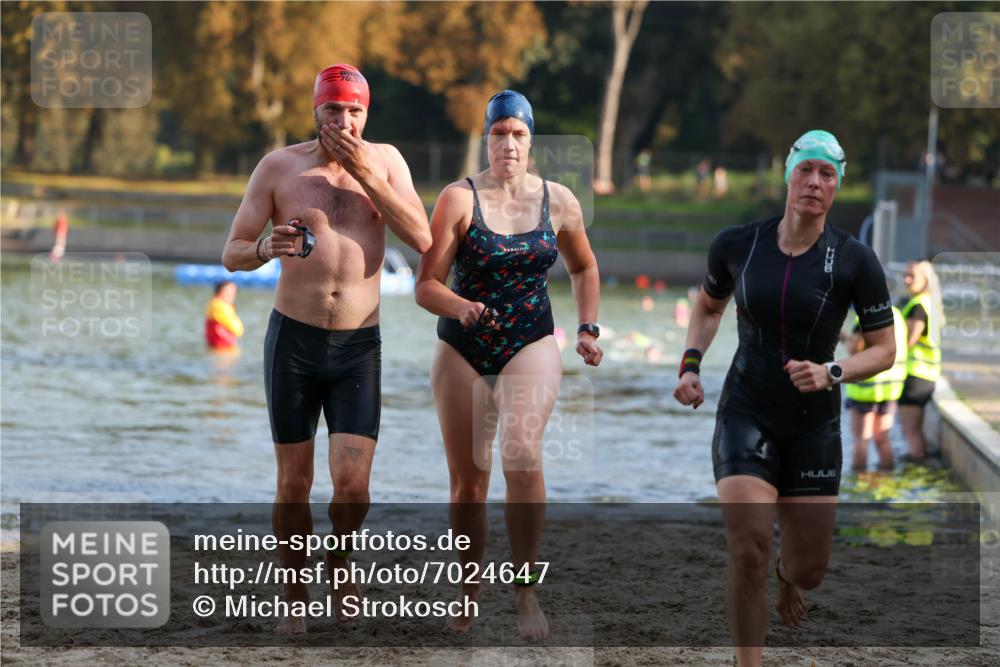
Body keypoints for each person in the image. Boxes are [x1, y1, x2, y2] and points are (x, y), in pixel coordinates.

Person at [220, 63, 431, 635]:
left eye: (355, 110)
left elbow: (423, 236)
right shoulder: (279, 166)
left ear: (367, 113)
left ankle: (340, 561)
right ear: (316, 110)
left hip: (359, 345)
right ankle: (293, 588)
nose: (344, 120)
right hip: (293, 339)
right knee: (294, 483)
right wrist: (266, 246)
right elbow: (232, 252)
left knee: (354, 487)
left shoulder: (386, 162)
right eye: (334, 109)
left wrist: (367, 172)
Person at [673, 130, 896, 667]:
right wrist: (691, 365)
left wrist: (832, 372)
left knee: (808, 569)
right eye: (806, 171)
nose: (814, 184)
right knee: (746, 550)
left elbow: (887, 350)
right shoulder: (736, 244)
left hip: (814, 425)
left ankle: (786, 575)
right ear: (788, 176)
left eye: (827, 176)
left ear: (837, 187)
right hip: (746, 409)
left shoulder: (855, 260)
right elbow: (707, 308)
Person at [415, 90, 602, 641]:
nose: (509, 144)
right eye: (499, 134)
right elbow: (425, 286)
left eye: (518, 134)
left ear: (531, 141)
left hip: (530, 341)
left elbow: (585, 268)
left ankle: (525, 594)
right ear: (487, 139)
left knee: (521, 453)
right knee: (469, 486)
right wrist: (461, 307)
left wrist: (588, 328)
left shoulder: (560, 201)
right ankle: (468, 596)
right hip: (462, 346)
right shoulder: (458, 199)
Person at [843, 297, 908, 471]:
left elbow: (855, 349)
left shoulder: (863, 319)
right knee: (883, 438)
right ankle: (886, 480)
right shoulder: (897, 315)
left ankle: (859, 486)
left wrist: (844, 338)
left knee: (861, 439)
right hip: (890, 388)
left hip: (865, 390)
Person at [898, 260, 943, 461]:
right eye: (905, 275)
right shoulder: (931, 304)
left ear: (925, 280)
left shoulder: (919, 306)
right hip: (927, 375)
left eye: (912, 276)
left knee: (910, 431)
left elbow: (908, 341)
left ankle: (915, 471)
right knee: (914, 430)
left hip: (915, 375)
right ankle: (921, 466)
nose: (907, 280)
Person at [204, 280, 244, 353]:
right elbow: (237, 329)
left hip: (220, 347)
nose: (233, 295)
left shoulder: (217, 303)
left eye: (234, 292)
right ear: (220, 291)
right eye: (230, 292)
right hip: (222, 349)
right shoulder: (219, 305)